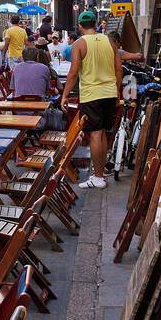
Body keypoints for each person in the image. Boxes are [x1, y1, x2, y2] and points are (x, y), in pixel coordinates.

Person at [60, 10, 123, 190]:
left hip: (91, 94)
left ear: (80, 26)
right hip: (109, 92)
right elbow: (119, 69)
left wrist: (65, 94)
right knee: (102, 133)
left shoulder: (79, 44)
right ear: (95, 23)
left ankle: (98, 176)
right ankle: (100, 173)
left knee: (95, 134)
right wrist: (116, 90)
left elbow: (73, 73)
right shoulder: (109, 41)